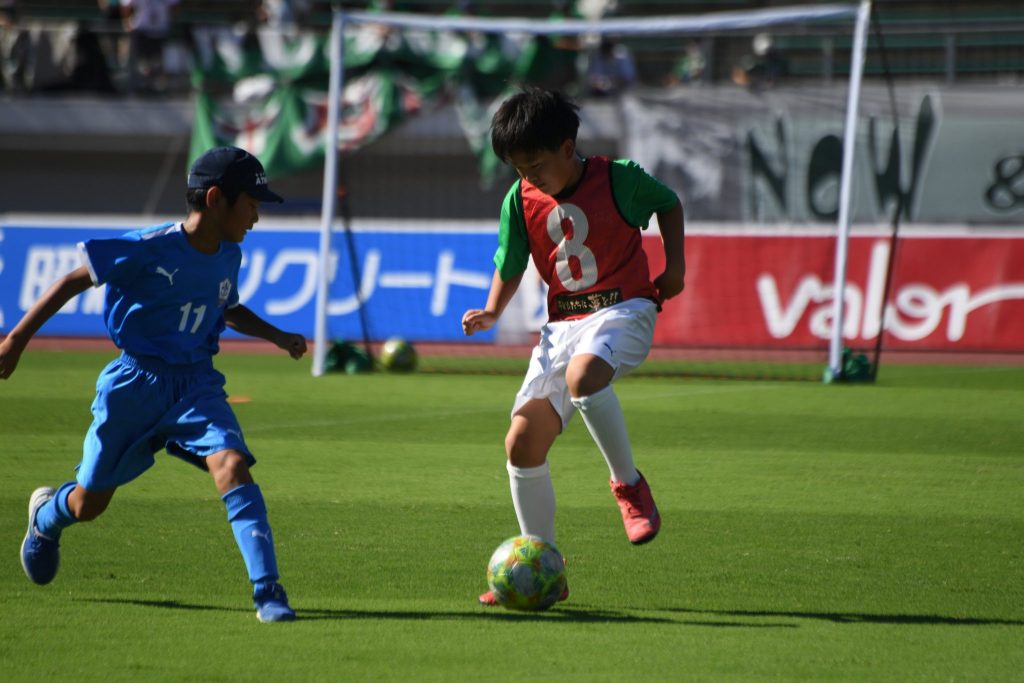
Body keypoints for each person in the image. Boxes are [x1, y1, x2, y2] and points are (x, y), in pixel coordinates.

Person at [0, 146, 307, 623]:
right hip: (133, 384)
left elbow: (225, 307)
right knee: (89, 503)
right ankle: (46, 516)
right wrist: (16, 341)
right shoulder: (148, 247)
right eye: (251, 203)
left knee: (231, 465)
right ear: (215, 199)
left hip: (196, 384)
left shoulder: (230, 254)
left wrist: (277, 336)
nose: (256, 216)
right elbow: (72, 281)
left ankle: (268, 592)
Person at [462, 87, 686, 606]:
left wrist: (674, 268)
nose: (529, 176)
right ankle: (545, 568)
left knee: (583, 378)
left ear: (568, 147)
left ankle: (629, 487)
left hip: (624, 309)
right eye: (519, 168)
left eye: (536, 164)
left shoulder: (619, 178)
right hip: (563, 326)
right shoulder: (519, 199)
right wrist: (492, 310)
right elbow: (510, 262)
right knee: (521, 444)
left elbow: (668, 204)